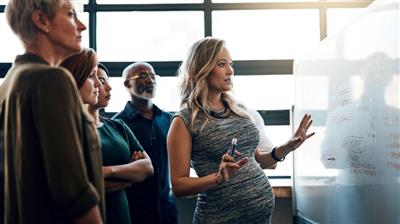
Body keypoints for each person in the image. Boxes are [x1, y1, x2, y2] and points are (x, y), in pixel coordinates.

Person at [167, 37, 314, 224]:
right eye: (222, 64)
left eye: (230, 64)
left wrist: (287, 147)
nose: (230, 71)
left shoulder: (238, 110)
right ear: (202, 69)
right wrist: (218, 178)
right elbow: (179, 185)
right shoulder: (184, 121)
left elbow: (256, 159)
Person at [0, 1, 104, 223]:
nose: (82, 26)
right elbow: (73, 191)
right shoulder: (51, 79)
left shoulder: (11, 80)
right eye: (71, 15)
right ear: (42, 20)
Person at [113, 62, 178, 224]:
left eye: (152, 76)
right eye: (142, 76)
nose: (150, 80)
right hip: (134, 211)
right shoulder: (118, 125)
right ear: (127, 83)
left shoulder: (169, 120)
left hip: (166, 210)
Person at [91, 62, 154, 224]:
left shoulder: (118, 126)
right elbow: (81, 187)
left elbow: (147, 167)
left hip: (122, 215)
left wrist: (106, 171)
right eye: (100, 81)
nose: (108, 87)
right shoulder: (72, 130)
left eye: (105, 80)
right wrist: (129, 172)